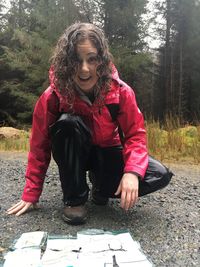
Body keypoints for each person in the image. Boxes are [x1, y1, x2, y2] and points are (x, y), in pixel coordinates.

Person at [7, 22, 173, 225]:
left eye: (92, 59)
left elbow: (134, 135)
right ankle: (75, 199)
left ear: (101, 61)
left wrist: (131, 173)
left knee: (158, 174)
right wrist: (31, 194)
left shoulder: (121, 92)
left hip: (106, 153)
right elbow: (39, 146)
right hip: (73, 154)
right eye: (76, 60)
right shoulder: (52, 96)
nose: (84, 69)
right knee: (67, 123)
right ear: (66, 62)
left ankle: (101, 186)